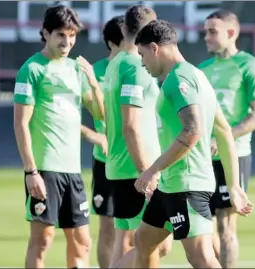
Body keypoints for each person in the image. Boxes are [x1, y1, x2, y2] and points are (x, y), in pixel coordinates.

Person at [133, 20, 254, 268]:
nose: (142, 63)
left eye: (142, 55)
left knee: (201, 257)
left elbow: (193, 130)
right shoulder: (197, 75)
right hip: (171, 184)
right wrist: (233, 185)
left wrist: (152, 169)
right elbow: (223, 130)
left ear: (155, 48)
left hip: (186, 184)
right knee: (144, 240)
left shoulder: (180, 80)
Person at [13, 5, 105, 269]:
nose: (67, 42)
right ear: (46, 33)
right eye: (61, 36)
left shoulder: (76, 70)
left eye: (72, 36)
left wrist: (93, 82)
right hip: (44, 168)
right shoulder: (31, 70)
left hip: (73, 171)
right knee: (43, 240)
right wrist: (31, 172)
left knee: (82, 241)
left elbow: (100, 113)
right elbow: (21, 124)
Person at [199, 9, 255, 268]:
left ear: (231, 33)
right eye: (206, 31)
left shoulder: (249, 65)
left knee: (226, 226)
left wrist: (224, 138)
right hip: (201, 156)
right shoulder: (202, 69)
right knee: (201, 226)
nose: (206, 37)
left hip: (233, 155)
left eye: (212, 32)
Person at [102, 6, 172, 268]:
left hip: (120, 165)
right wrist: (147, 170)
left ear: (124, 29)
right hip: (135, 168)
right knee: (155, 244)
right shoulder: (135, 65)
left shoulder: (116, 63)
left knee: (142, 243)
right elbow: (129, 125)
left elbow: (110, 121)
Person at [79, 15, 125, 269]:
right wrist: (91, 134)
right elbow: (65, 111)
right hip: (104, 161)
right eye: (125, 39)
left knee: (133, 229)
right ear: (111, 43)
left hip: (134, 161)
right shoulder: (94, 71)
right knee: (107, 227)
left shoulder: (141, 69)